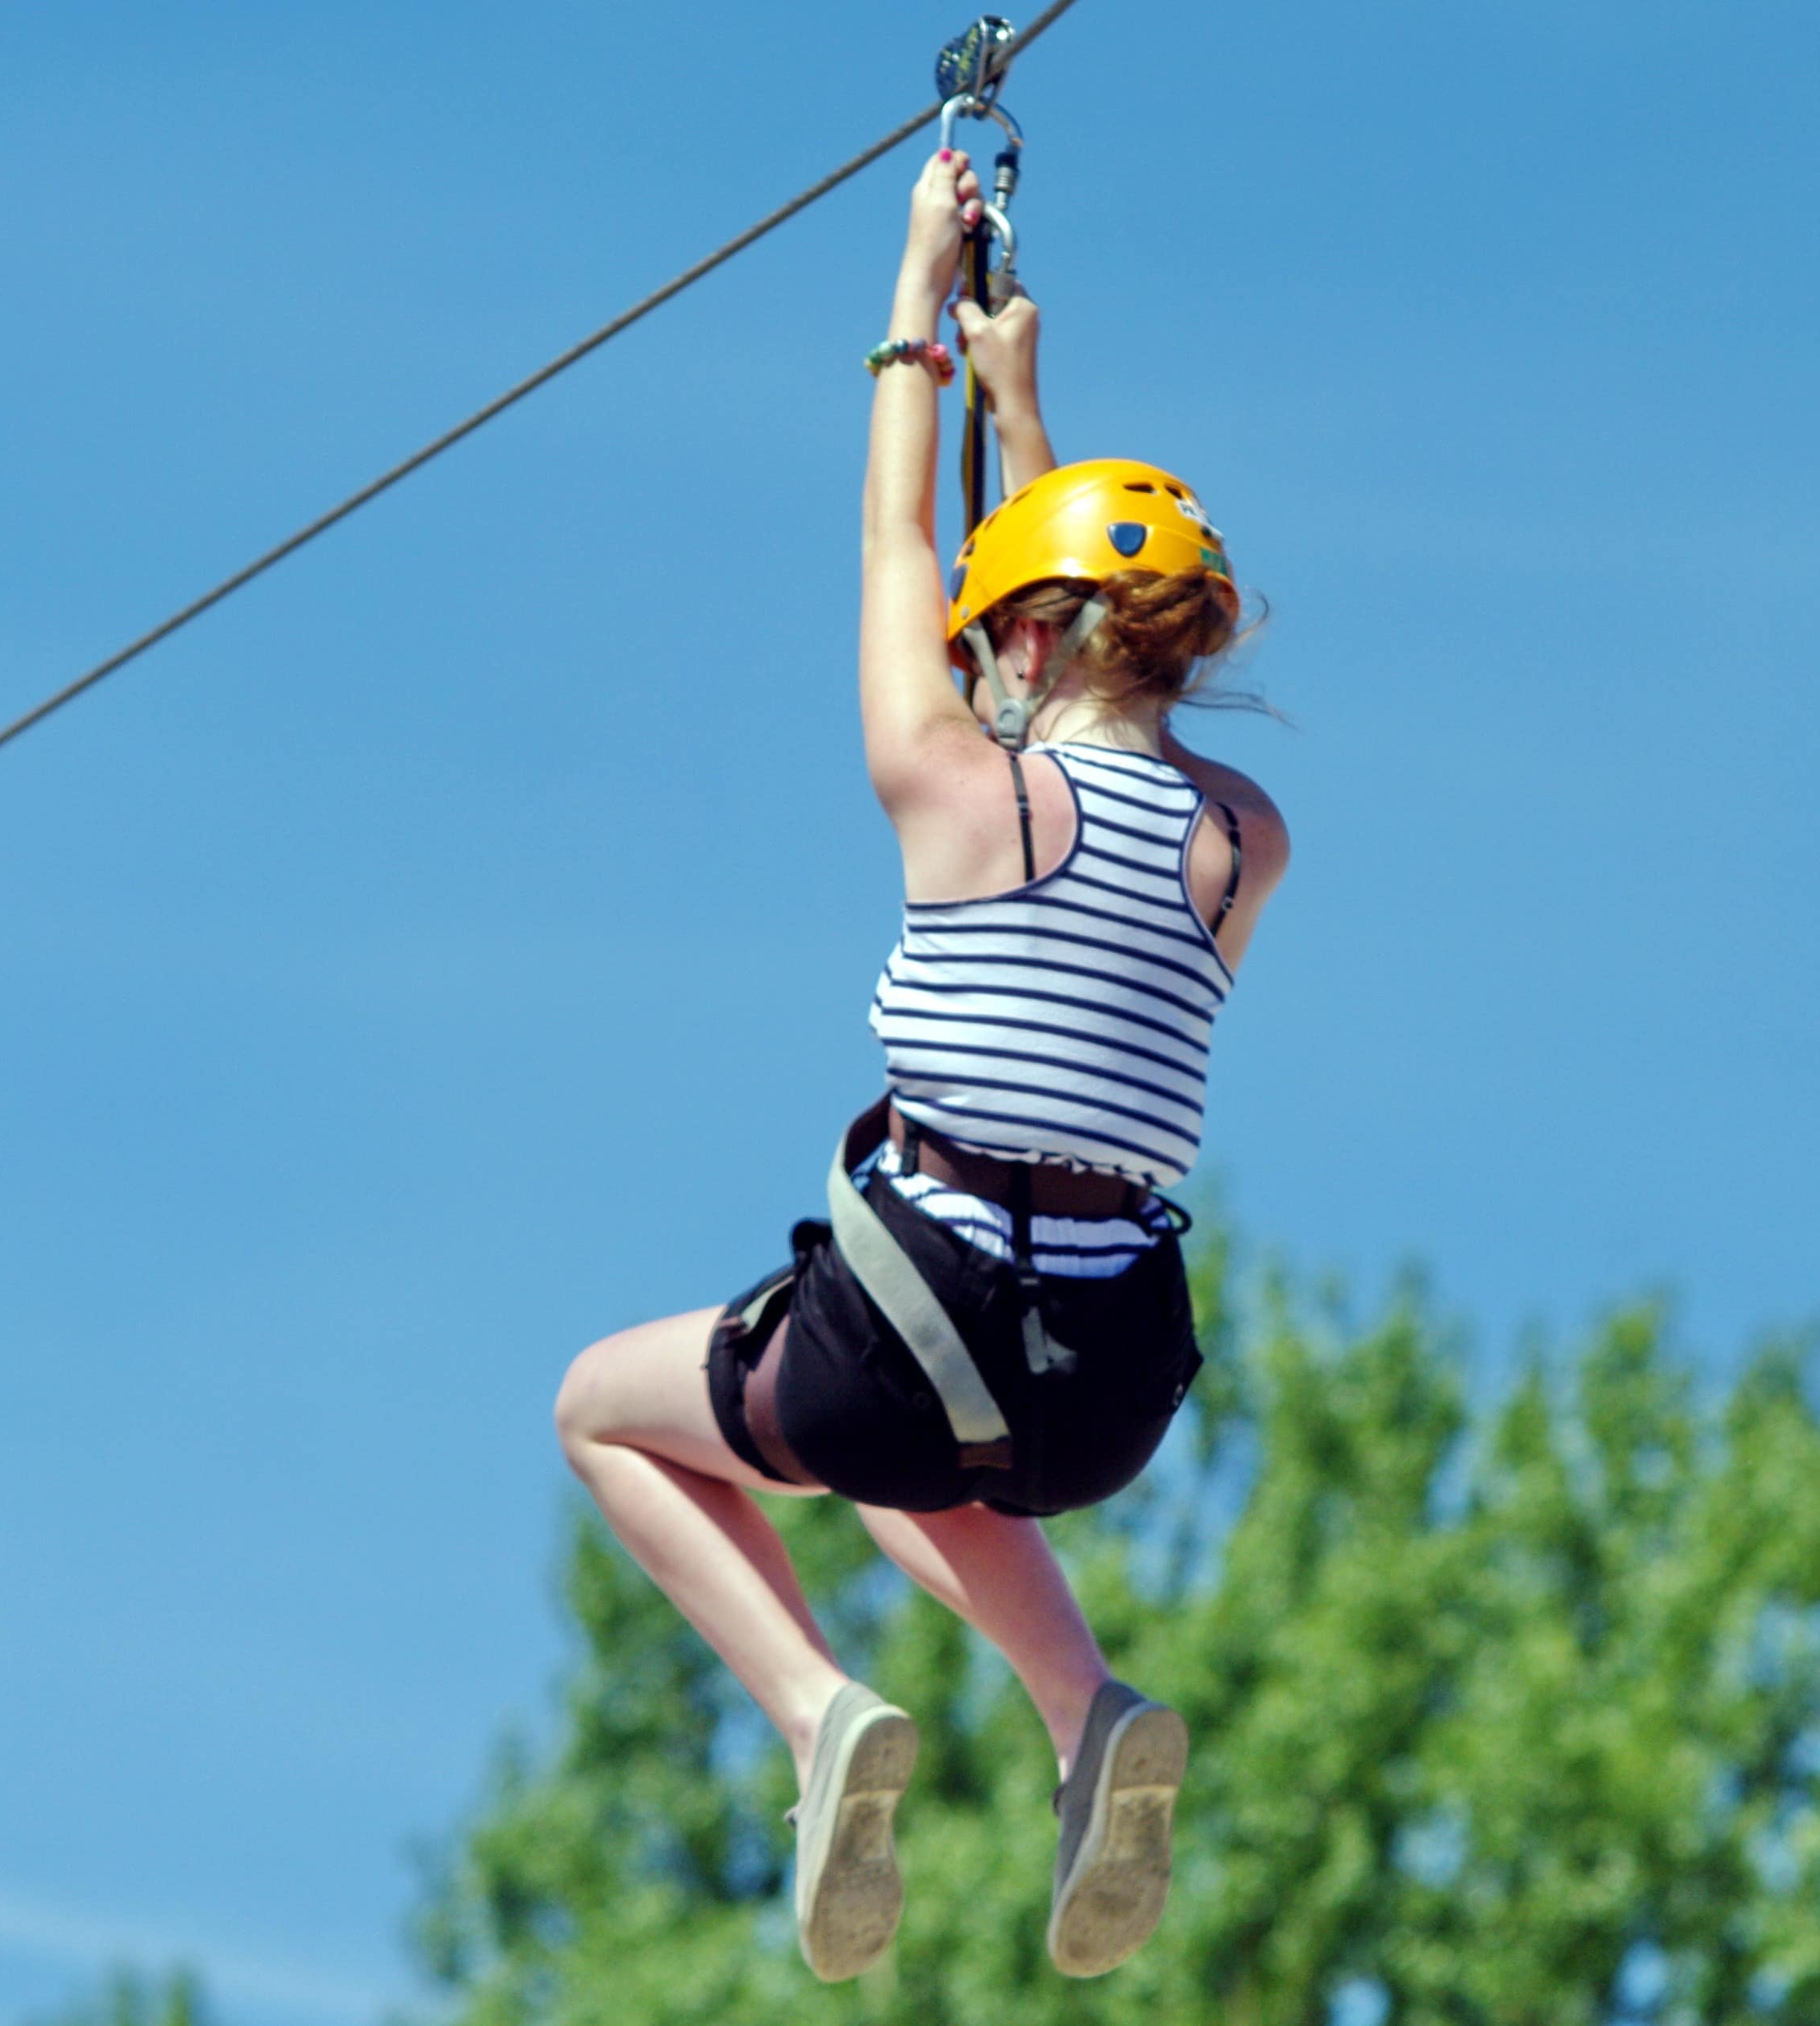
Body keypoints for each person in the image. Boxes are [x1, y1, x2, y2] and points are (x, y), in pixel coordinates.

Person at [549, 146, 1289, 1984]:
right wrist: (1026, 411)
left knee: (598, 1407)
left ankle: (816, 1719)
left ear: (1025, 634)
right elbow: (1052, 627)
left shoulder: (957, 783)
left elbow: (904, 546)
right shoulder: (1241, 840)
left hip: (923, 1313)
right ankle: (1085, 1709)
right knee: (926, 1460)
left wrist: (913, 320)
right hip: (1108, 1372)